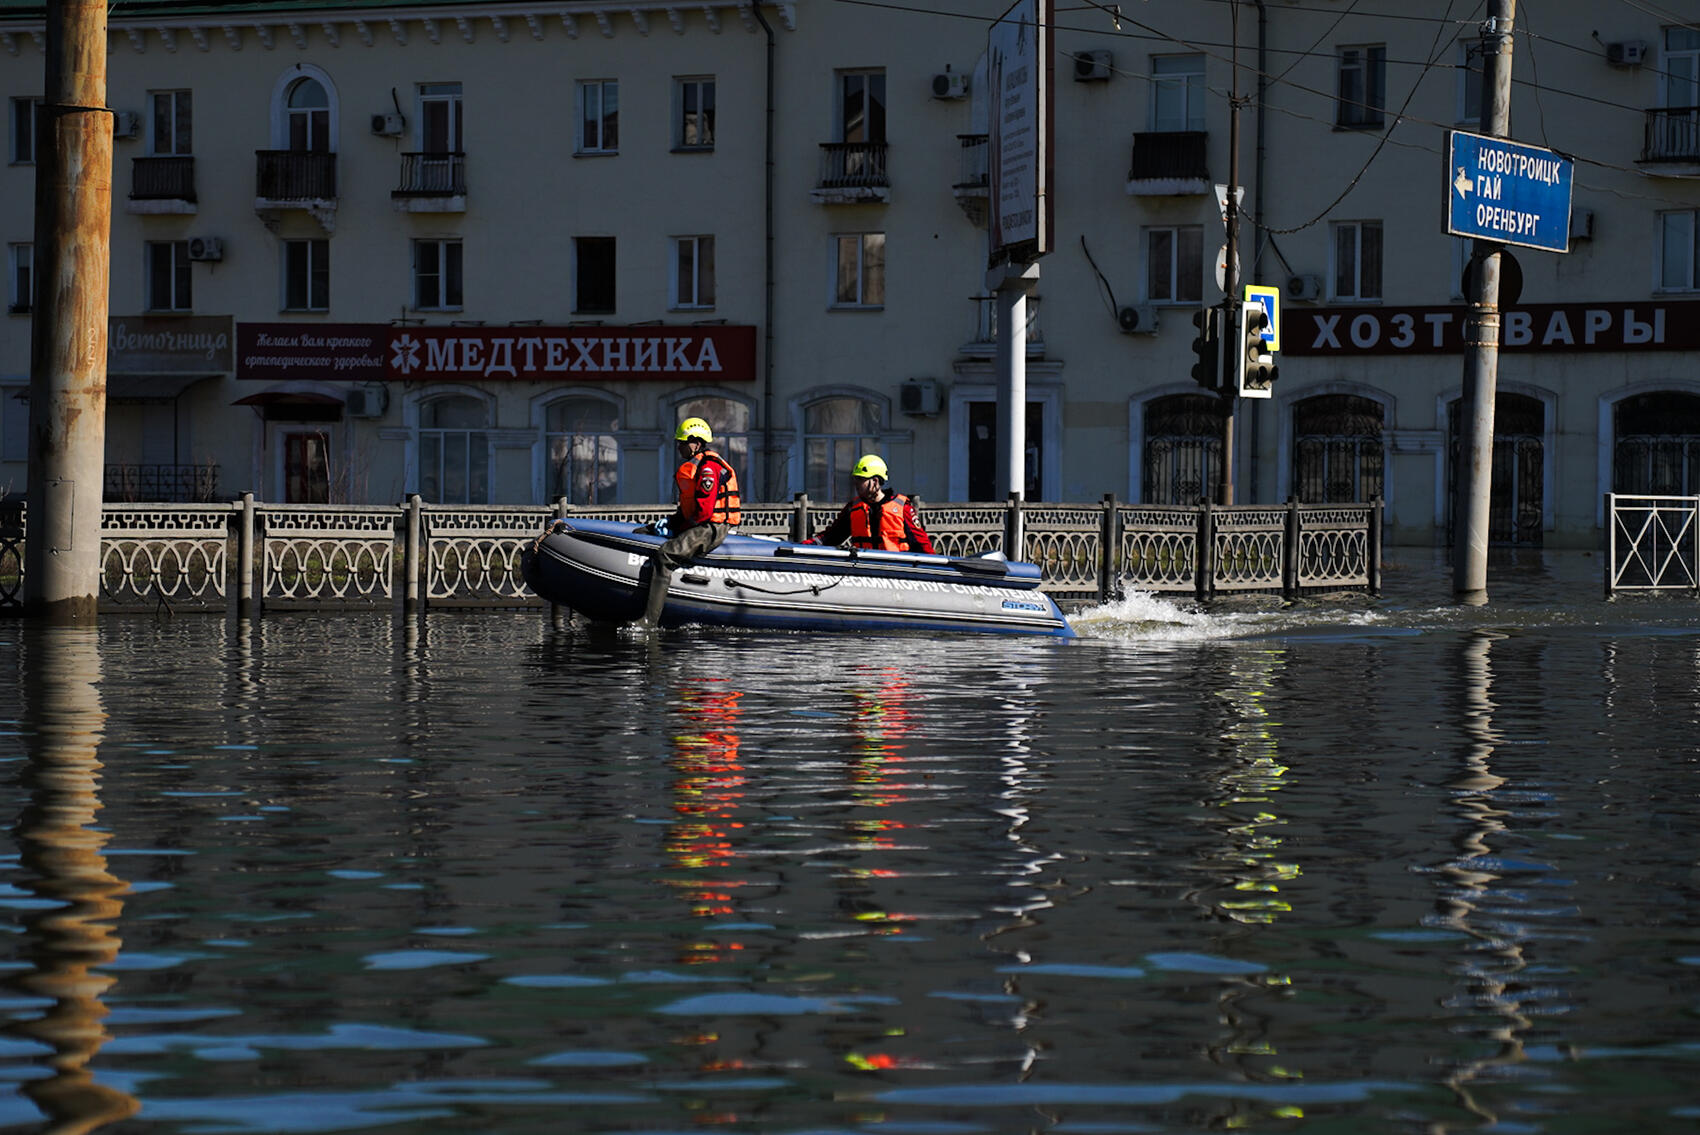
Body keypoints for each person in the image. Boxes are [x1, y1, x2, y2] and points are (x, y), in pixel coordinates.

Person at [641, 417, 742, 625]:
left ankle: (649, 622)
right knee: (645, 533)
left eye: (683, 442)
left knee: (665, 555)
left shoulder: (708, 469)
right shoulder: (697, 466)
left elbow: (704, 512)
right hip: (700, 523)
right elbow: (689, 510)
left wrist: (681, 528)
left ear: (696, 443)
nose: (679, 447)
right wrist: (670, 524)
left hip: (711, 527)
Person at [805, 454, 935, 554]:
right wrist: (803, 546)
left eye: (861, 479)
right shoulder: (853, 508)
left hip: (896, 569)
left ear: (875, 481)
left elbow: (923, 545)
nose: (856, 484)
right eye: (855, 479)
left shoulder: (902, 508)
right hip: (865, 569)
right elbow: (830, 537)